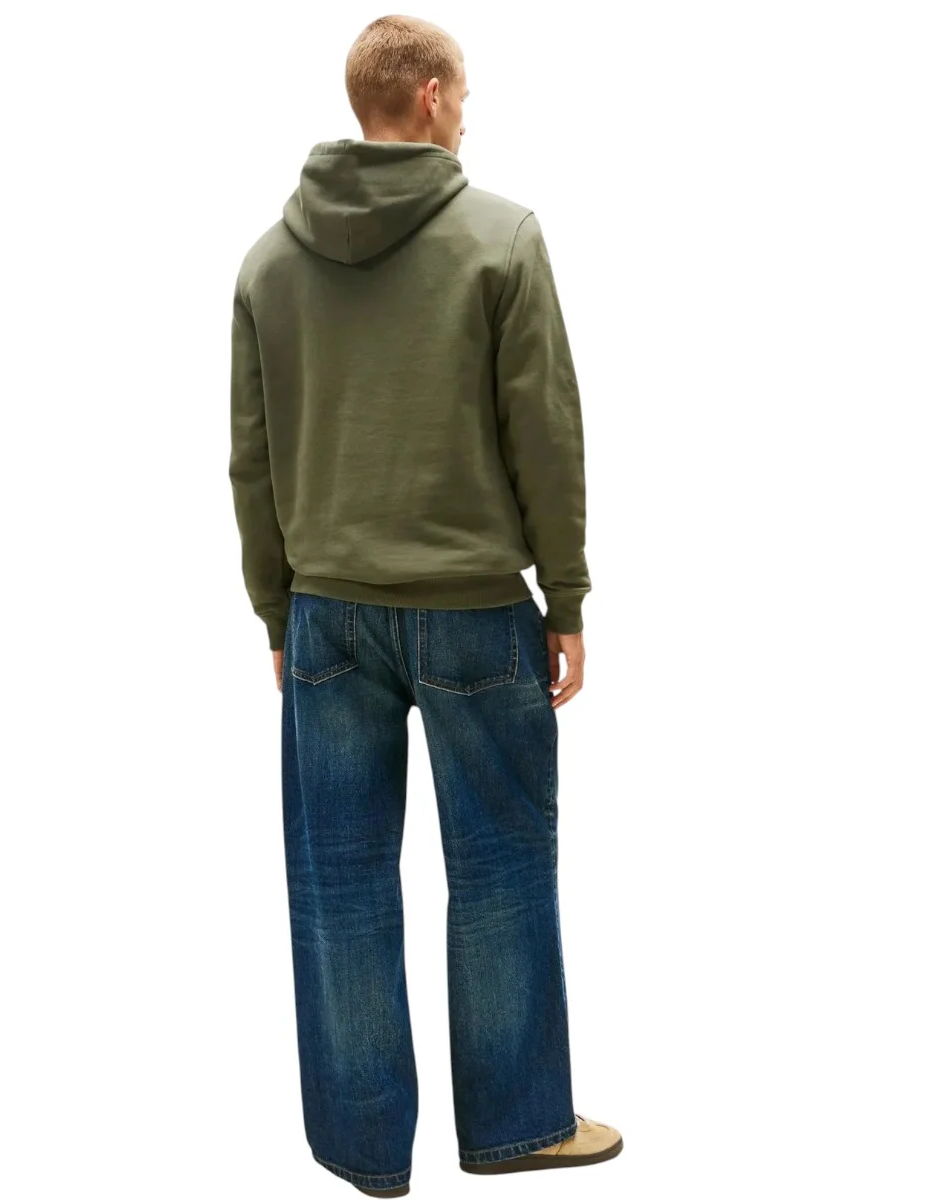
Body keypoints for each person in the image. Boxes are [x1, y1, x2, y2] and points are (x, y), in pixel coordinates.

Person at [228, 13, 622, 1197]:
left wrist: (275, 613)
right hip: (471, 610)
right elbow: (544, 433)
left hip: (327, 617)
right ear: (435, 98)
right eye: (467, 96)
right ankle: (517, 1128)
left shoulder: (268, 262)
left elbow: (251, 460)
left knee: (338, 887)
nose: (469, 115)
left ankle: (365, 1151)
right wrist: (566, 594)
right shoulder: (503, 238)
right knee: (499, 872)